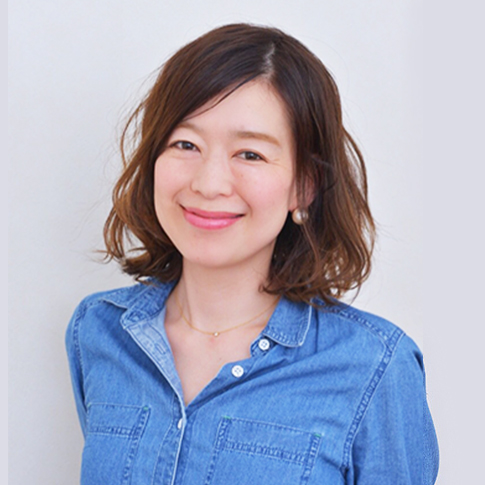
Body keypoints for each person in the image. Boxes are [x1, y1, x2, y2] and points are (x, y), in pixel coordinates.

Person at [66, 23, 439, 484]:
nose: (208, 184)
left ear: (304, 186)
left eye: (250, 155)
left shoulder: (375, 367)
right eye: (186, 144)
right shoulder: (99, 332)